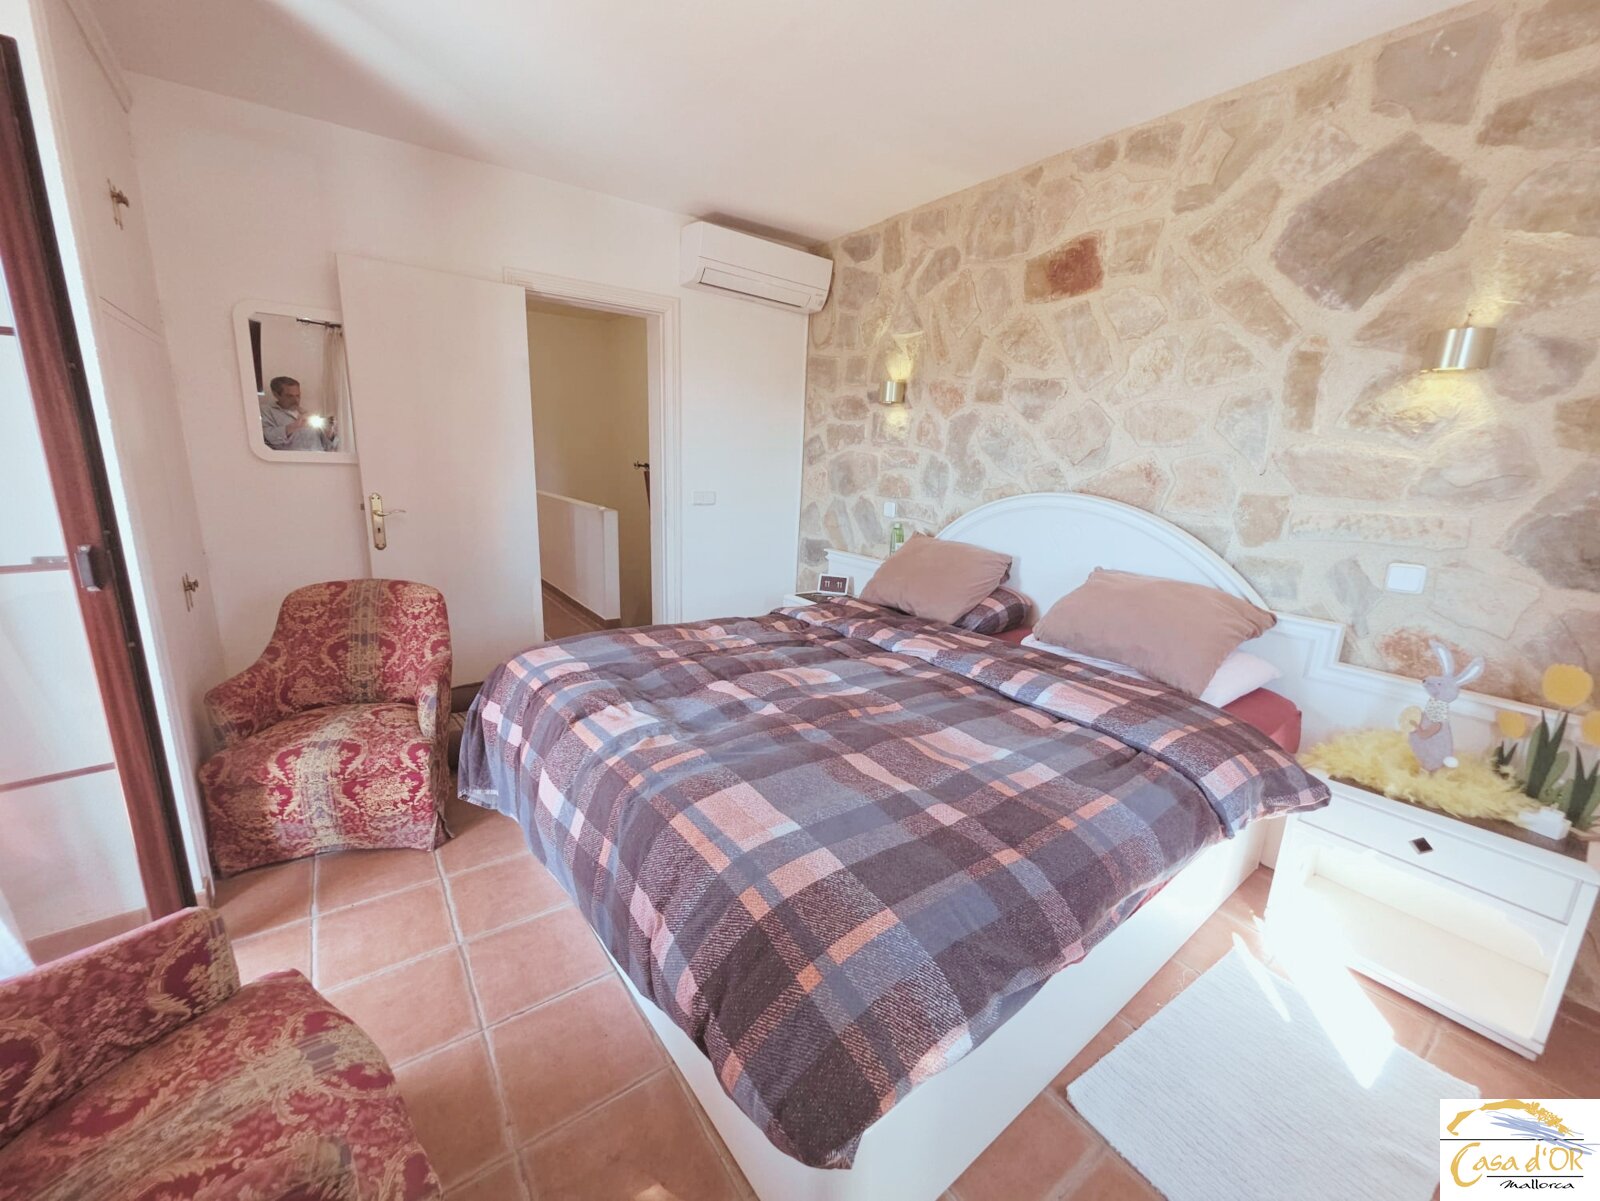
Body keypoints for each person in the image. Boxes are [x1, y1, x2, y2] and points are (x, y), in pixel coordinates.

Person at [259, 376, 337, 451]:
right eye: (290, 396)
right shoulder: (267, 411)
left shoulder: (307, 413)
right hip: (290, 459)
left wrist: (329, 433)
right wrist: (294, 426)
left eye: (298, 396)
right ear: (276, 394)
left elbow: (328, 447)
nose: (296, 400)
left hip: (318, 458)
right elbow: (269, 438)